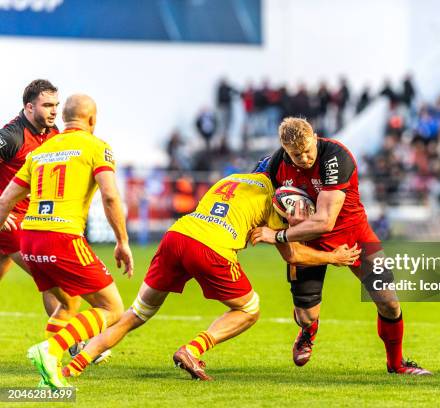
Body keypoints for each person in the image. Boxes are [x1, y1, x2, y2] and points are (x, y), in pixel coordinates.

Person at [62, 172, 361, 382]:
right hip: (210, 247)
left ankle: (74, 365)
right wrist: (332, 257)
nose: (299, 213)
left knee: (135, 314)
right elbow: (294, 255)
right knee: (249, 308)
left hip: (177, 236)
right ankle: (193, 349)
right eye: (300, 206)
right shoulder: (275, 202)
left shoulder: (234, 179)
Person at [250, 117, 431, 375]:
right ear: (284, 149)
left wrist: (277, 235)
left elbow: (325, 222)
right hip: (307, 243)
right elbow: (250, 189)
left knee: (389, 302)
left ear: (315, 136)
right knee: (306, 316)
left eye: (308, 150)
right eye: (296, 154)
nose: (304, 158)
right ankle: (308, 329)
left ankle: (397, 363)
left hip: (355, 236)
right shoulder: (275, 164)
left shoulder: (335, 157)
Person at [0, 94, 134, 389]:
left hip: (30, 239)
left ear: (63, 118)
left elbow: (6, 200)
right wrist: (122, 241)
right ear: (92, 120)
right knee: (112, 308)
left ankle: (48, 376)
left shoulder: (42, 151)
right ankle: (51, 349)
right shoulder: (97, 146)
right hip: (62, 237)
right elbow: (110, 196)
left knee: (67, 301)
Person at [0, 80, 68, 322]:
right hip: (10, 221)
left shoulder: (53, 133)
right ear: (29, 107)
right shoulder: (11, 137)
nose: (54, 110)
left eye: (56, 105)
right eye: (47, 105)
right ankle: (71, 343)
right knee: (52, 278)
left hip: (34, 219)